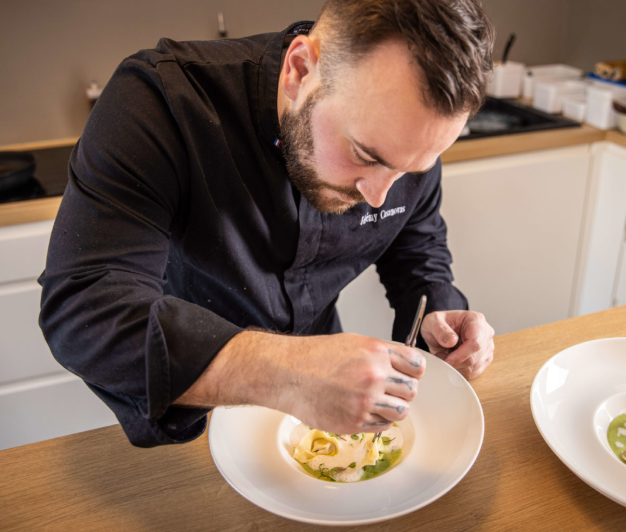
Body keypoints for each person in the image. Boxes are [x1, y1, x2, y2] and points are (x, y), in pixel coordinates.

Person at [38, 0, 496, 448]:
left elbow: (414, 241)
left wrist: (436, 303)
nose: (377, 195)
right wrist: (286, 373)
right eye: (365, 155)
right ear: (299, 70)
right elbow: (83, 305)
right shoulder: (160, 101)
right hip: (185, 402)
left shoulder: (401, 135)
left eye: (409, 172)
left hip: (330, 401)